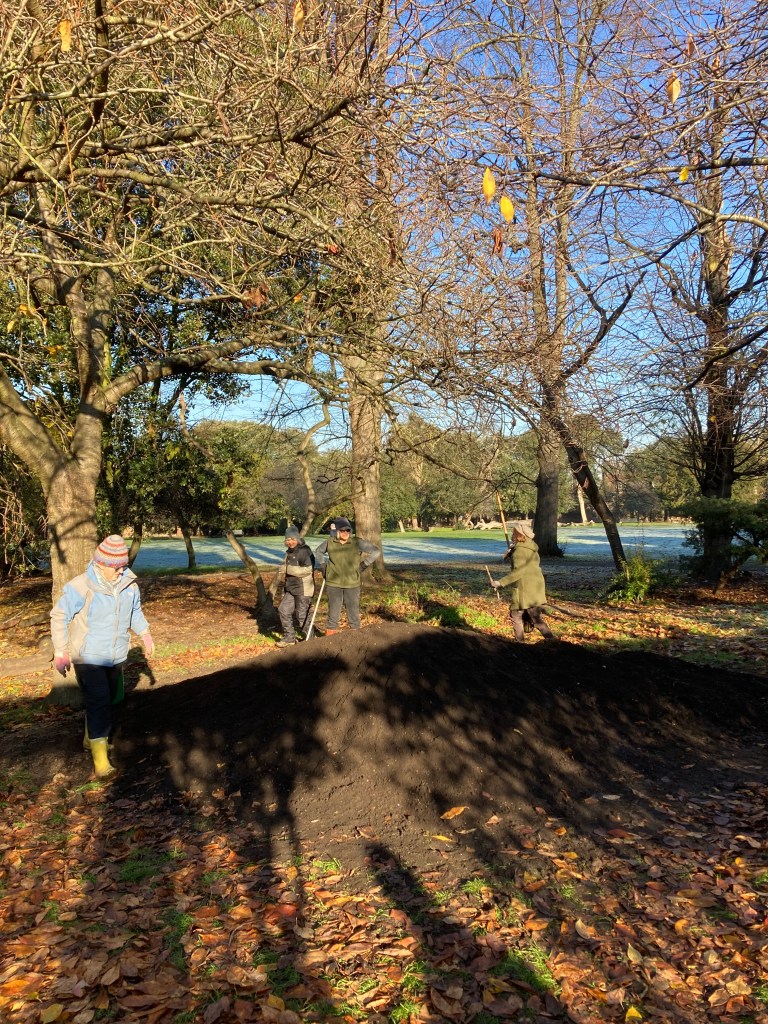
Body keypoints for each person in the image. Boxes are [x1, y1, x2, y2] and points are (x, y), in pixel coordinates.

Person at [50, 535, 154, 778]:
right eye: (116, 567)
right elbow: (58, 616)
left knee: (107, 700)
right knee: (100, 702)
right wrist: (60, 650)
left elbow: (135, 613)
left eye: (123, 566)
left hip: (115, 655)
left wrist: (146, 634)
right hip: (88, 657)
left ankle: (90, 738)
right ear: (100, 564)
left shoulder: (130, 585)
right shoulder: (81, 586)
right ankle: (100, 760)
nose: (120, 571)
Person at [314, 517, 380, 634]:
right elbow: (318, 551)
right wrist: (323, 566)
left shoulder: (356, 542)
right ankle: (329, 641)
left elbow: (376, 551)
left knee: (353, 613)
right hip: (334, 583)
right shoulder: (330, 542)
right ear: (337, 531)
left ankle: (355, 640)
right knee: (333, 613)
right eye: (343, 530)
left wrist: (363, 565)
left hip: (352, 583)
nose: (345, 533)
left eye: (348, 530)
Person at [490, 521, 553, 641]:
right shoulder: (530, 547)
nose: (512, 535)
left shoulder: (520, 550)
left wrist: (500, 583)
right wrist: (511, 552)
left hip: (525, 589)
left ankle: (520, 644)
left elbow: (518, 572)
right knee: (536, 618)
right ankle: (552, 641)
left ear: (520, 535)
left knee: (516, 616)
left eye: (514, 533)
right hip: (535, 587)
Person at [277, 525, 315, 647]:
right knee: (283, 610)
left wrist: (288, 569)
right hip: (291, 588)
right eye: (288, 540)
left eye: (293, 539)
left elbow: (308, 570)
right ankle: (289, 638)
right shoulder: (288, 552)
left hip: (303, 588)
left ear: (297, 539)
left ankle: (311, 639)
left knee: (302, 615)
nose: (290, 542)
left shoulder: (305, 551)